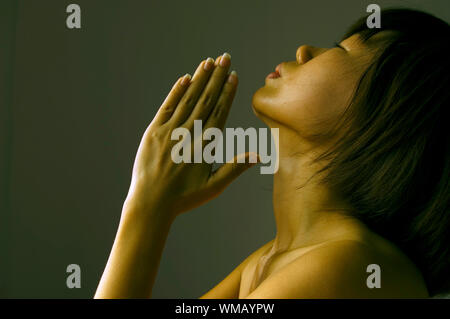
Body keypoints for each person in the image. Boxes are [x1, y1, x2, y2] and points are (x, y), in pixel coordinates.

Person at [94, 8, 449, 298]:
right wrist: (152, 204)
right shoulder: (270, 262)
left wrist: (146, 210)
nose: (305, 51)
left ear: (391, 118)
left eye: (341, 52)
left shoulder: (354, 265)